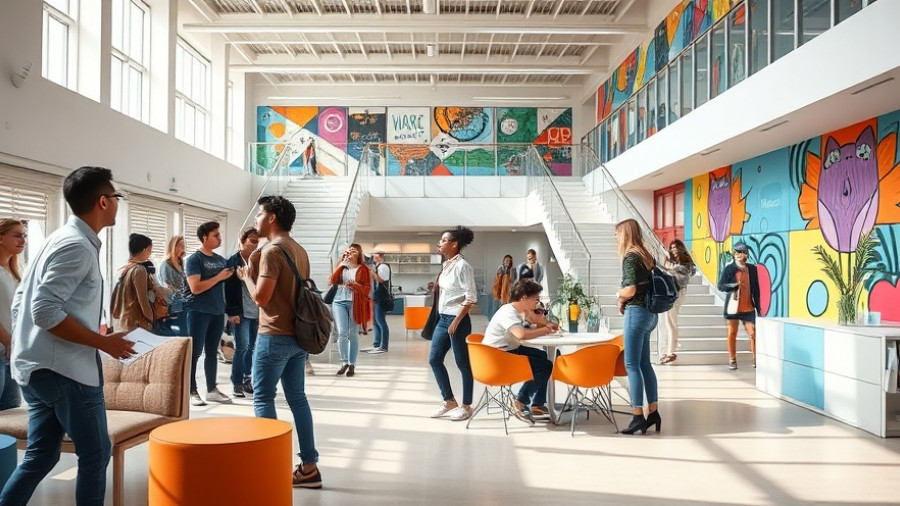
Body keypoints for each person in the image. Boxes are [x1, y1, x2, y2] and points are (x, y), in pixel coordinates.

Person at [0, 167, 136, 506]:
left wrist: (26, 344)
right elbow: (44, 311)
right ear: (103, 201)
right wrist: (103, 342)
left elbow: (21, 301)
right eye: (116, 197)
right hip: (65, 371)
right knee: (96, 454)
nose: (117, 204)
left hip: (40, 368)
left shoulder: (59, 239)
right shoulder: (76, 246)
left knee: (42, 455)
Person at [236, 195, 322, 489]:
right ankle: (309, 467)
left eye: (260, 214)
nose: (256, 219)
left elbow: (261, 298)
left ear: (272, 217)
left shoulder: (272, 251)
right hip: (298, 338)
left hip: (273, 336)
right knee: (298, 399)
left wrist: (246, 277)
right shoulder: (299, 250)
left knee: (262, 397)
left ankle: (271, 467)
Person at [483, 280, 557, 421]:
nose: (537, 302)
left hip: (507, 350)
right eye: (535, 299)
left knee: (542, 356)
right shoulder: (507, 312)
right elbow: (521, 334)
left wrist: (550, 325)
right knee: (545, 365)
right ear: (524, 298)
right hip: (497, 358)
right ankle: (520, 402)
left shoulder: (517, 310)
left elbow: (534, 318)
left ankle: (537, 404)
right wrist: (545, 330)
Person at [614, 218, 661, 435]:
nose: (615, 238)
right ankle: (653, 412)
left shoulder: (630, 257)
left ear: (625, 234)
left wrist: (618, 295)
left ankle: (637, 416)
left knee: (631, 365)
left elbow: (630, 289)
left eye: (617, 234)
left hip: (636, 312)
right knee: (645, 364)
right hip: (650, 314)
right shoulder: (645, 255)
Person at [429, 226, 477, 422]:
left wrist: (456, 321)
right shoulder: (447, 265)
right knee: (434, 359)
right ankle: (449, 401)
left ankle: (466, 406)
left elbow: (471, 297)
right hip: (443, 319)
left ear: (454, 244)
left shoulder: (463, 266)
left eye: (443, 240)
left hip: (458, 320)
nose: (439, 243)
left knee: (462, 363)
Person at [184, 221, 234, 406]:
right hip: (198, 311)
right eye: (216, 235)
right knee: (195, 353)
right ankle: (191, 390)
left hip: (217, 312)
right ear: (204, 238)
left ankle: (212, 389)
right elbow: (195, 288)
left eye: (220, 235)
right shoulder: (194, 260)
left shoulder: (221, 260)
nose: (220, 238)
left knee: (212, 352)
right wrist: (219, 277)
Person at [225, 227, 260, 397]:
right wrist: (232, 312)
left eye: (257, 241)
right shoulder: (232, 262)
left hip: (257, 311)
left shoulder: (259, 260)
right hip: (241, 312)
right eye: (252, 241)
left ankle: (248, 379)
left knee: (252, 347)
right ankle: (237, 382)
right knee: (242, 347)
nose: (255, 244)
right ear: (242, 240)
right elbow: (228, 291)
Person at [717, 241, 761, 370]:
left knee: (753, 333)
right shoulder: (730, 269)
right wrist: (733, 286)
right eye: (736, 252)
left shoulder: (752, 269)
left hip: (748, 308)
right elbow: (720, 286)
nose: (737, 254)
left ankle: (756, 359)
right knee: (732, 333)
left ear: (746, 254)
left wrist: (759, 308)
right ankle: (732, 360)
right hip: (733, 307)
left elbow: (756, 289)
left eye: (740, 252)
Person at [329, 243, 371, 377]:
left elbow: (367, 289)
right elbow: (332, 280)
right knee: (342, 332)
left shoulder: (363, 269)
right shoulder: (342, 266)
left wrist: (354, 286)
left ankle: (352, 364)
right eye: (347, 252)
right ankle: (344, 362)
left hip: (355, 302)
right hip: (338, 301)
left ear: (358, 254)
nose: (348, 254)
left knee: (352, 333)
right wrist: (340, 264)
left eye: (352, 252)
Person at [111, 234, 166, 332]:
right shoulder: (139, 270)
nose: (151, 253)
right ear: (143, 250)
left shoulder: (122, 269)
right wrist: (153, 323)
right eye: (150, 250)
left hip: (121, 323)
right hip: (136, 324)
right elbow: (144, 303)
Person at [0, 218, 26, 411]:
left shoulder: (16, 271)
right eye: (17, 236)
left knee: (11, 410)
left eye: (24, 236)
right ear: (1, 238)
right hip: (5, 348)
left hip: (12, 352)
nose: (23, 241)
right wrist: (8, 342)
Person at [659, 239, 696, 365]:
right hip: (672, 293)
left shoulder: (686, 265)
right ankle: (668, 351)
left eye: (676, 247)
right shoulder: (675, 263)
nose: (673, 250)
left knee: (671, 323)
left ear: (681, 248)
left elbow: (676, 273)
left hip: (677, 294)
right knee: (668, 323)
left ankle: (671, 352)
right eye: (672, 247)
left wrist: (665, 265)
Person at [158, 235, 190, 336]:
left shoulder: (180, 263)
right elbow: (168, 288)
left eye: (184, 245)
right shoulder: (165, 265)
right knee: (187, 319)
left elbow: (185, 285)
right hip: (172, 303)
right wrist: (183, 298)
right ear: (174, 247)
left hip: (182, 302)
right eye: (181, 245)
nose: (183, 248)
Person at [366, 250, 391, 354]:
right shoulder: (377, 267)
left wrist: (371, 271)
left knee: (381, 321)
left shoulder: (383, 267)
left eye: (375, 254)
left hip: (381, 298)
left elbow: (380, 280)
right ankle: (376, 344)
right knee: (376, 322)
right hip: (376, 297)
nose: (373, 256)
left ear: (380, 256)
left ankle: (383, 346)